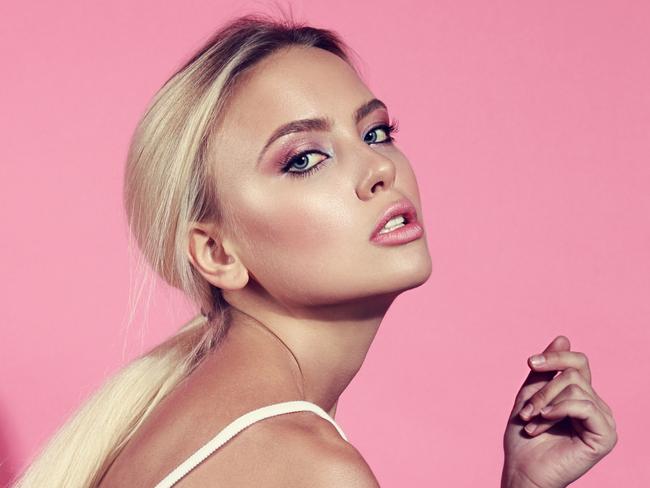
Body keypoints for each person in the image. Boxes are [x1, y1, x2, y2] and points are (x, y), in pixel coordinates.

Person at [11, 11, 617, 488]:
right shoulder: (304, 467)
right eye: (304, 159)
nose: (380, 168)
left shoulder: (203, 423)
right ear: (217, 253)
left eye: (375, 132)